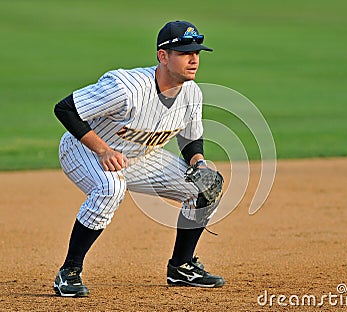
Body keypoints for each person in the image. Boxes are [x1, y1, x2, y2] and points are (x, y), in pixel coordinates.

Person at [52, 20, 225, 297]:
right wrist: (102, 149)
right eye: (184, 53)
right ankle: (69, 271)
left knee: (204, 187)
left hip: (139, 157)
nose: (194, 59)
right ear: (163, 56)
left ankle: (181, 267)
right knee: (111, 188)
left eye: (197, 53)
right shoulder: (126, 87)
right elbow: (66, 108)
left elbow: (190, 139)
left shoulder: (192, 93)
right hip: (83, 149)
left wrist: (199, 164)